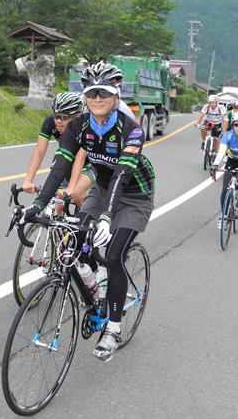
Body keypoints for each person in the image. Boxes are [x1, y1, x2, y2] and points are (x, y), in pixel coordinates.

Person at [19, 61, 155, 361]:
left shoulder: (130, 130)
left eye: (103, 93)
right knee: (78, 240)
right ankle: (99, 283)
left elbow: (122, 175)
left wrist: (107, 218)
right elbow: (60, 167)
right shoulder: (79, 125)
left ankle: (114, 328)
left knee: (116, 252)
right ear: (85, 95)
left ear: (115, 96)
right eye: (91, 93)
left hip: (134, 194)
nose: (97, 99)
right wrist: (38, 205)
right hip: (102, 189)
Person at [22, 92, 87, 203]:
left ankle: (88, 218)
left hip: (89, 163)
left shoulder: (85, 125)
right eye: (56, 116)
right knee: (58, 204)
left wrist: (71, 187)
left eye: (64, 117)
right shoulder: (50, 123)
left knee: (77, 194)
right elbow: (40, 151)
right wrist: (28, 180)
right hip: (68, 160)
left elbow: (80, 158)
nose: (58, 121)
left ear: (77, 116)